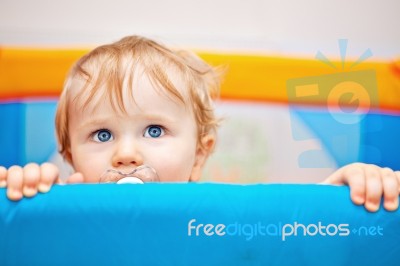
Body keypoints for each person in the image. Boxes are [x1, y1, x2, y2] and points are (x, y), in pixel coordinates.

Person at [0, 35, 399, 213]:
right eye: (101, 135)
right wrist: (29, 198)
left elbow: (288, 232)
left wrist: (345, 190)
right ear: (70, 156)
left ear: (200, 153)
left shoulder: (218, 210)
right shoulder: (66, 211)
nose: (125, 154)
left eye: (154, 131)